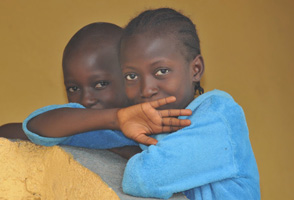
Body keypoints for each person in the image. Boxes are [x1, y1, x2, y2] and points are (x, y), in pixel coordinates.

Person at [118, 8, 260, 199]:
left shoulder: (220, 116)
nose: (146, 89)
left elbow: (143, 178)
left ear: (196, 69)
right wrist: (114, 120)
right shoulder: (152, 122)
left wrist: (127, 149)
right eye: (132, 76)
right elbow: (66, 130)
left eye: (161, 71)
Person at [21, 23, 192, 158]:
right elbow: (29, 127)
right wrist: (116, 119)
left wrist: (130, 150)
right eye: (73, 88)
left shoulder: (175, 123)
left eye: (100, 84)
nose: (86, 99)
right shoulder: (87, 127)